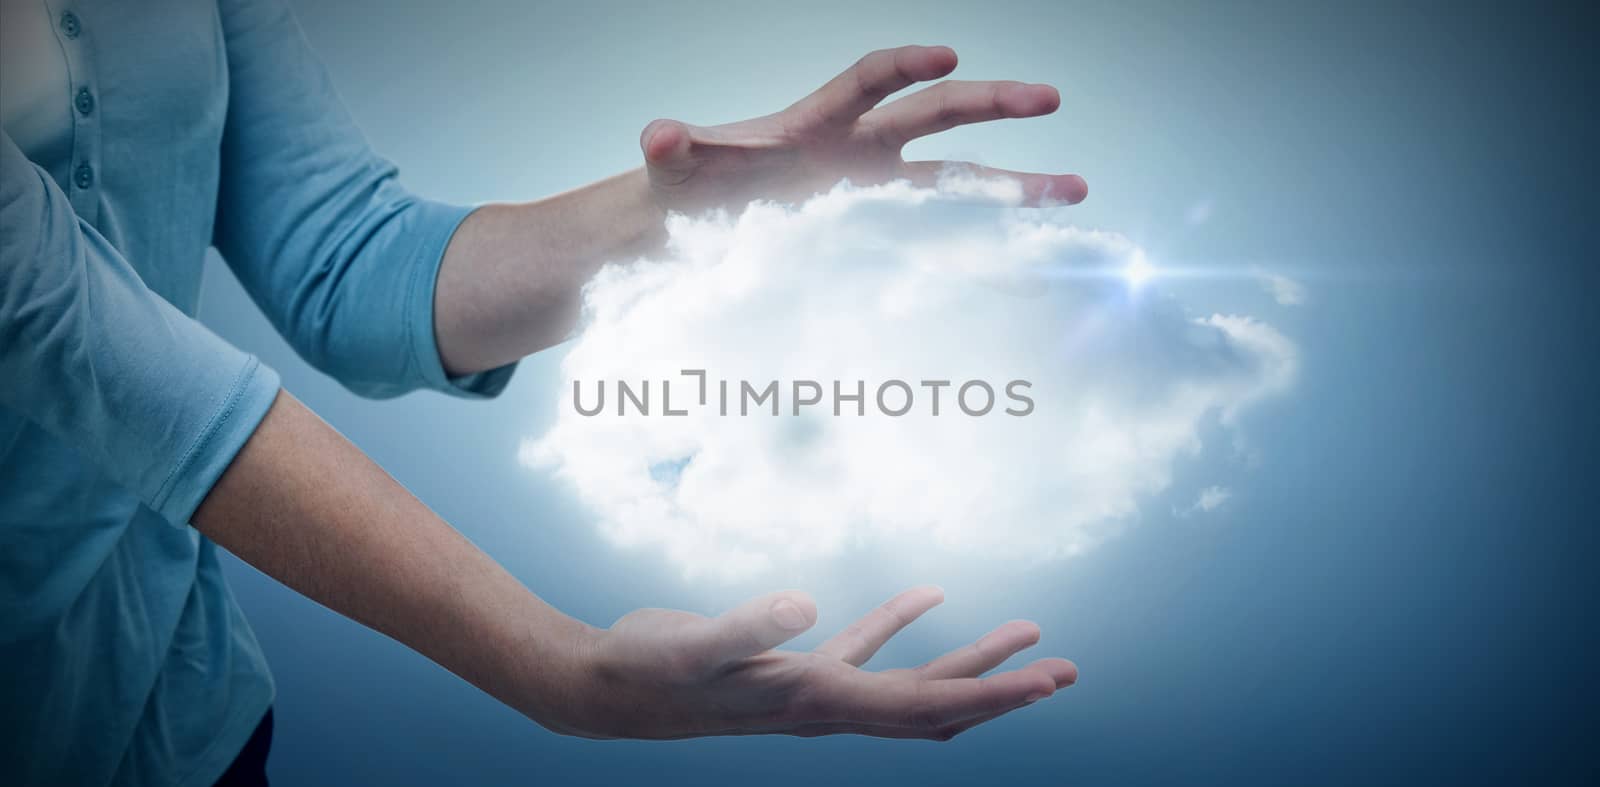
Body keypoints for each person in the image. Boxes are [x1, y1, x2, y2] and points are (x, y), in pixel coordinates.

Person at [0, 1, 1089, 784]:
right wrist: (550, 660)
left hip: (173, 704)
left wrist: (693, 217)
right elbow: (74, 339)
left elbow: (340, 256)